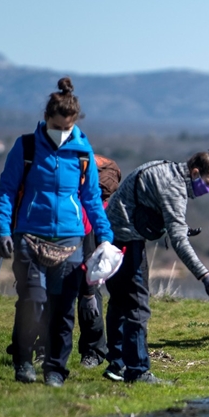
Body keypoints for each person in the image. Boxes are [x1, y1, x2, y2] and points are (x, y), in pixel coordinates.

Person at [0, 77, 114, 387]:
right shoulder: (27, 146)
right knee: (33, 301)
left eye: (68, 128)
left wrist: (104, 234)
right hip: (29, 235)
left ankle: (56, 370)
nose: (62, 133)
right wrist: (2, 229)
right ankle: (22, 360)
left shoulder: (82, 151)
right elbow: (7, 190)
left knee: (62, 310)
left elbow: (90, 198)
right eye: (57, 126)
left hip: (70, 239)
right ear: (47, 119)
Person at [102, 147, 209, 383]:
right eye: (207, 183)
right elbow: (179, 240)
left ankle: (116, 364)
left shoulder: (167, 168)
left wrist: (173, 226)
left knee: (119, 301)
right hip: (126, 238)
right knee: (138, 305)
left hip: (112, 233)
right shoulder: (174, 188)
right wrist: (204, 275)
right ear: (195, 171)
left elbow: (154, 208)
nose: (208, 190)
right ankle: (138, 370)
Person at [75, 154, 122, 369]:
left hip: (89, 225)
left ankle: (93, 350)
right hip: (65, 226)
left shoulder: (82, 157)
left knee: (90, 289)